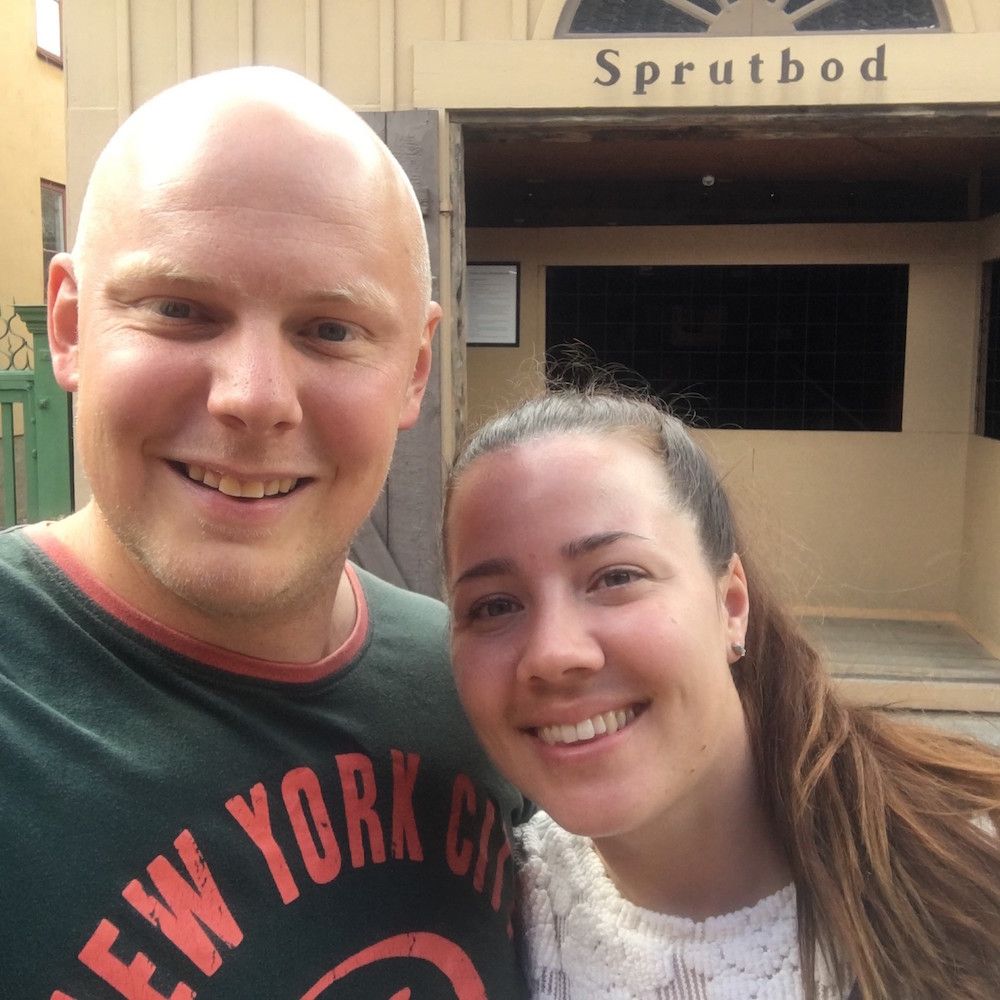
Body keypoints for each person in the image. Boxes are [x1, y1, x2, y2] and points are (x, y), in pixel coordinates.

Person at [0, 67, 529, 999]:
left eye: (330, 329)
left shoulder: (485, 688)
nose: (252, 397)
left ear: (415, 369)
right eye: (179, 311)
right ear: (72, 326)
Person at [442, 386, 1000, 1000]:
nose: (553, 653)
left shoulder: (970, 859)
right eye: (493, 606)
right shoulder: (486, 912)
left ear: (731, 604)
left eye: (616, 577)